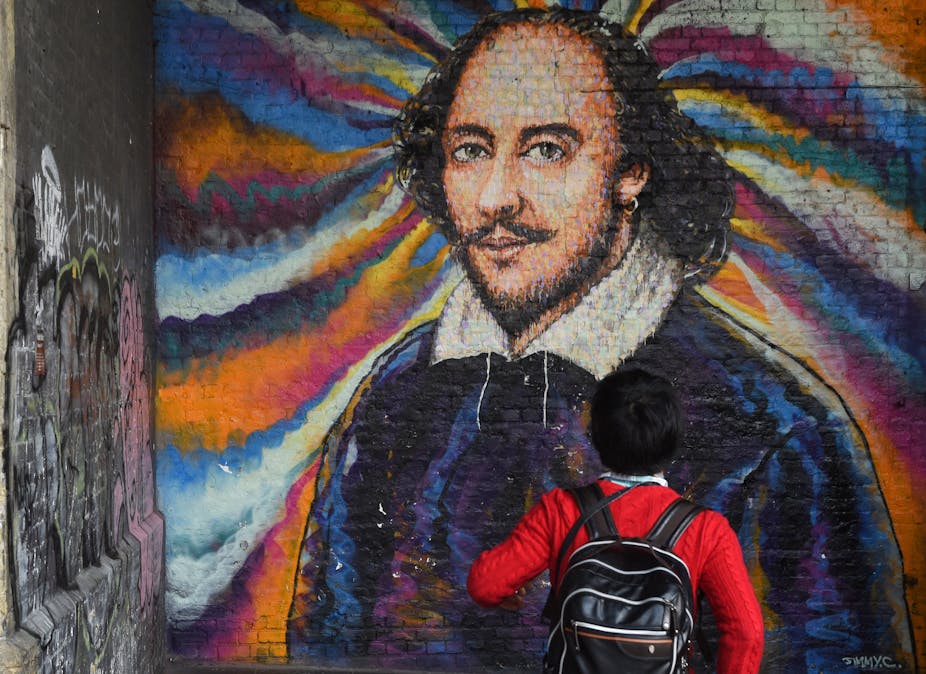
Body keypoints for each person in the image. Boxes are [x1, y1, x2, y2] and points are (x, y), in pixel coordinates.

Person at [286, 7, 912, 670]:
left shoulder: (772, 430)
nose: (496, 197)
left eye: (546, 149)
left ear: (630, 173)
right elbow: (324, 642)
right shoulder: (396, 395)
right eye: (470, 149)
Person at [467, 368, 765, 673]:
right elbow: (747, 634)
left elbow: (485, 585)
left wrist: (509, 591)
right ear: (672, 440)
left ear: (597, 437)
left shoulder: (561, 510)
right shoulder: (706, 530)